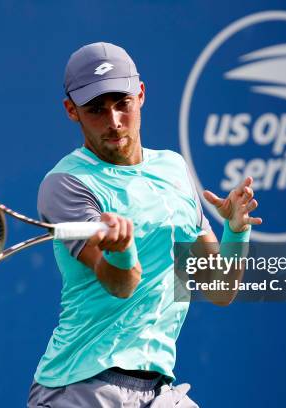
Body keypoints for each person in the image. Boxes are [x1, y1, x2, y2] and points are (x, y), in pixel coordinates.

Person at [28, 42, 262, 407]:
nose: (114, 122)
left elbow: (218, 288)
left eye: (122, 103)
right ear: (71, 111)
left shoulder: (174, 169)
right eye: (96, 110)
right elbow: (120, 284)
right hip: (82, 388)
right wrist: (121, 252)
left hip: (159, 392)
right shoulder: (66, 184)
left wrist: (236, 230)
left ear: (141, 94)